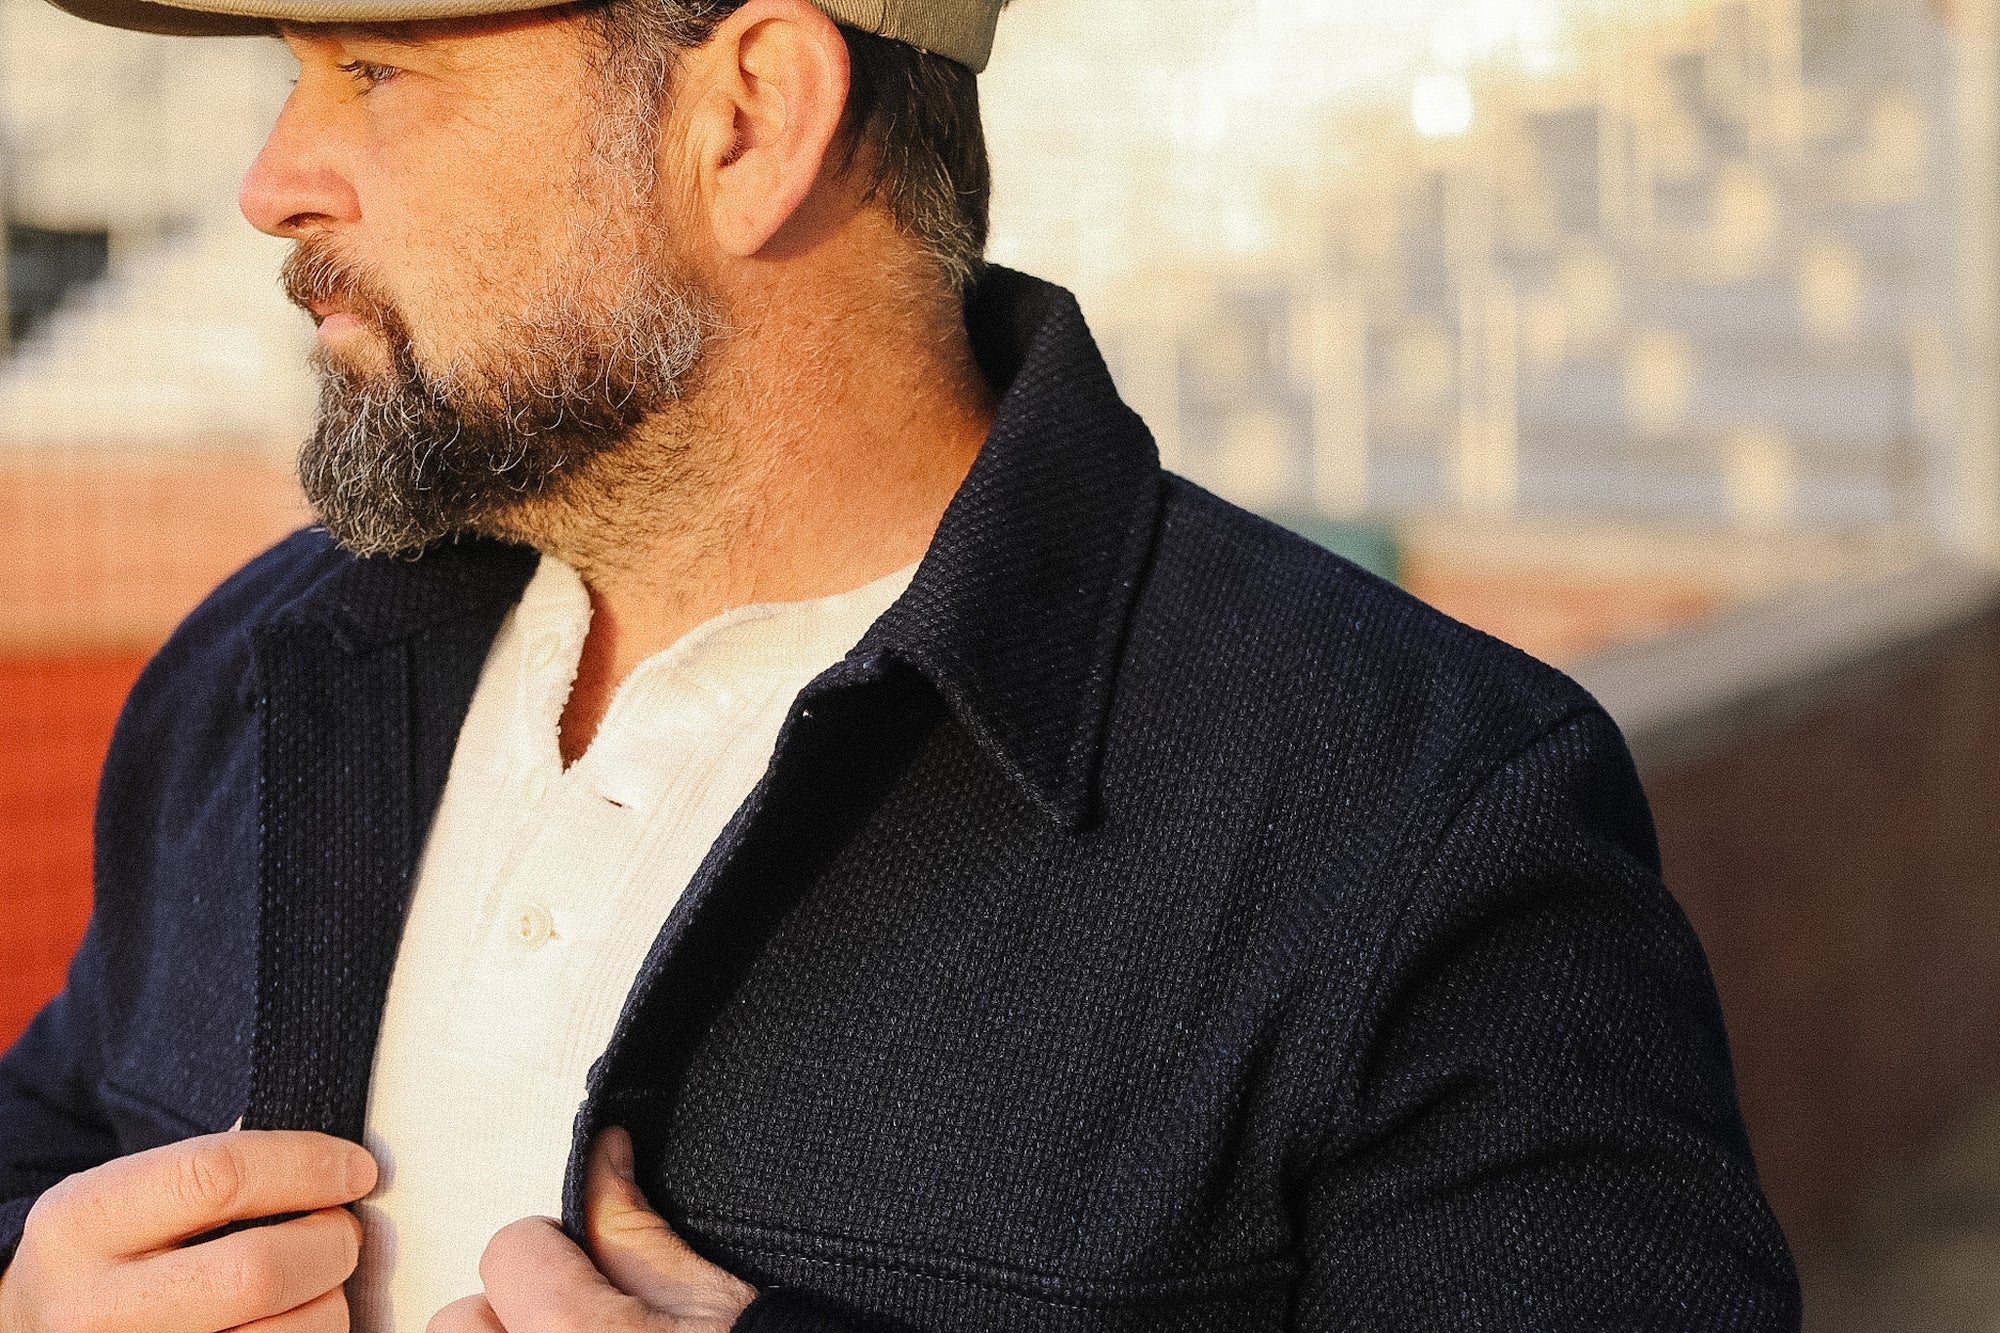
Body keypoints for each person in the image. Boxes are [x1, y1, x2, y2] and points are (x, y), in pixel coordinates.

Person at [0, 0, 1802, 1328]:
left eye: (374, 72)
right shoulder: (264, 663)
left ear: (751, 118)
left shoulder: (1417, 816)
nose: (269, 182)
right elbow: (55, 1126)